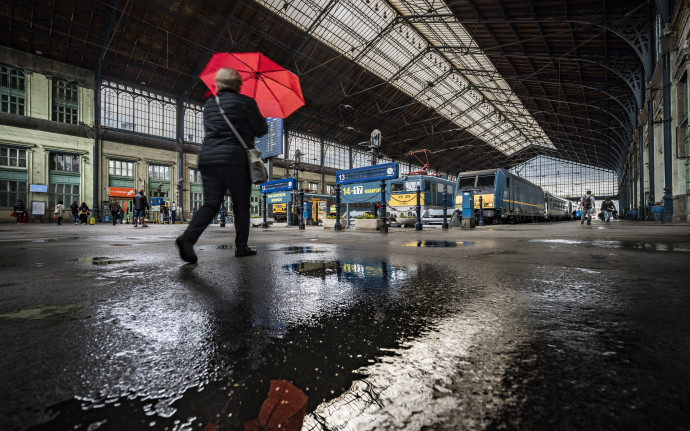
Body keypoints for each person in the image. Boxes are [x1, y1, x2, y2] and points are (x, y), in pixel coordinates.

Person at [176, 67, 268, 263]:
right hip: (236, 160)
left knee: (211, 204)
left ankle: (187, 238)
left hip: (209, 158)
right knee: (241, 206)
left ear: (218, 84)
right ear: (238, 84)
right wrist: (258, 113)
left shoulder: (210, 104)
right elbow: (261, 130)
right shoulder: (247, 103)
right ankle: (241, 247)